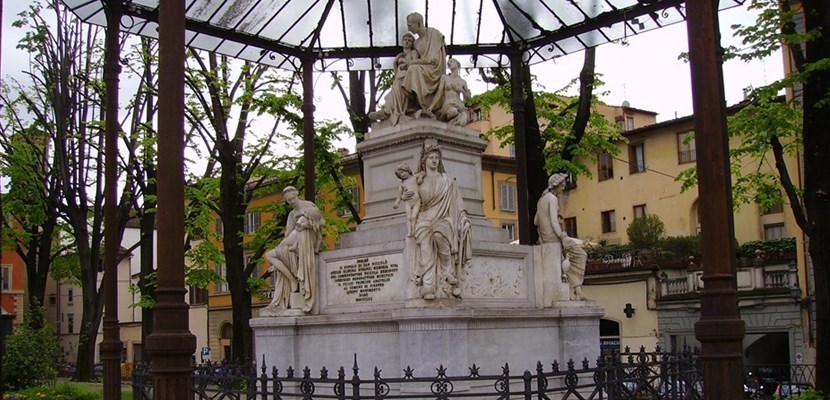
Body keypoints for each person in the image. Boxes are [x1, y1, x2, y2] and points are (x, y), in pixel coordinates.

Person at [407, 142, 472, 299]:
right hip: (423, 218)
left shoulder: (447, 181)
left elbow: (457, 203)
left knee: (439, 233)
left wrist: (463, 217)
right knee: (425, 245)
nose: (435, 160)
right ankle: (428, 285)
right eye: (431, 158)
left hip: (443, 218)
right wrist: (405, 196)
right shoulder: (417, 181)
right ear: (424, 161)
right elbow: (408, 198)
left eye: (437, 158)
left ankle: (448, 271)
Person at [263, 186, 324, 312]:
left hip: (306, 239)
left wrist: (306, 224)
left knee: (275, 253)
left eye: (292, 198)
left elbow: (321, 222)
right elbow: (288, 232)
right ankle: (292, 280)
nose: (291, 202)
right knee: (269, 255)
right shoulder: (292, 214)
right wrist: (285, 239)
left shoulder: (309, 206)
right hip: (294, 238)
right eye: (289, 200)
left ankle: (288, 275)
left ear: (297, 195)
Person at [534, 173, 588, 300]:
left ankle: (578, 291)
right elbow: (553, 221)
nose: (563, 187)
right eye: (562, 185)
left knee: (566, 261)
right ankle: (578, 289)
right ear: (556, 185)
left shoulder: (541, 200)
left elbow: (535, 221)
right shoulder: (552, 199)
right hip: (554, 236)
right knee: (581, 255)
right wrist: (562, 236)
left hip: (545, 238)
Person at [400, 12, 447, 118]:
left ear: (419, 24)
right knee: (410, 71)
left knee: (413, 69)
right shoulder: (416, 43)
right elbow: (421, 59)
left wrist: (411, 63)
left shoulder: (434, 34)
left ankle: (422, 104)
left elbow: (433, 60)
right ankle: (416, 103)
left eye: (410, 25)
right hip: (423, 68)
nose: (409, 29)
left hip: (435, 70)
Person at [369, 33, 420, 125]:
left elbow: (415, 64)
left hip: (407, 78)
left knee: (396, 92)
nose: (407, 41)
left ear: (412, 43)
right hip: (399, 77)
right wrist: (394, 62)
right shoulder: (400, 55)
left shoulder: (413, 53)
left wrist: (405, 62)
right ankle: (389, 110)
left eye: (409, 40)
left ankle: (387, 111)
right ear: (402, 41)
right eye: (405, 39)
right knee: (394, 93)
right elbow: (396, 73)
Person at [437, 58, 471, 126]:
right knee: (453, 111)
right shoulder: (445, 78)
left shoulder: (463, 82)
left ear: (457, 64)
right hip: (448, 106)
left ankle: (452, 126)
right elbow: (439, 93)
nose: (449, 63)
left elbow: (468, 97)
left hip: (460, 106)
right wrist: (431, 107)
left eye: (451, 61)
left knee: (463, 120)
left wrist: (461, 90)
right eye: (448, 63)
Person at [392, 162, 419, 237]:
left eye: (402, 172)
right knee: (409, 217)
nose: (402, 175)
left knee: (414, 217)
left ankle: (414, 231)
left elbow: (423, 173)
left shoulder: (414, 177)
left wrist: (420, 177)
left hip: (417, 201)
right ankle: (410, 232)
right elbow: (399, 195)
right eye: (400, 174)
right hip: (408, 202)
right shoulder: (402, 184)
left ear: (407, 170)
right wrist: (397, 203)